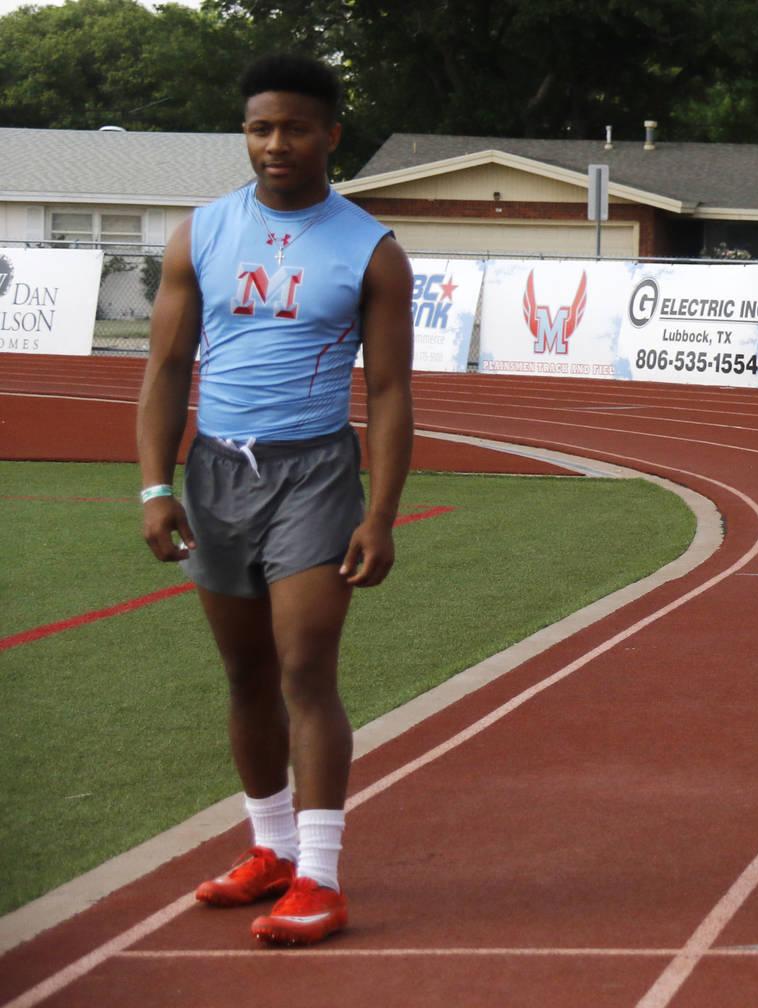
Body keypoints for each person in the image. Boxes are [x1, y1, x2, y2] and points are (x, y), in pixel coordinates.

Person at [135, 53, 414, 945]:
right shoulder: (202, 233)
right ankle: (271, 851)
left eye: (295, 127)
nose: (276, 144)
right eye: (260, 128)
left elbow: (390, 394)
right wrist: (155, 485)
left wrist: (381, 512)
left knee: (303, 671)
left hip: (315, 474)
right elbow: (167, 367)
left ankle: (323, 880)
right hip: (216, 475)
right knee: (246, 674)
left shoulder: (370, 248)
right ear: (245, 135)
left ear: (332, 134)